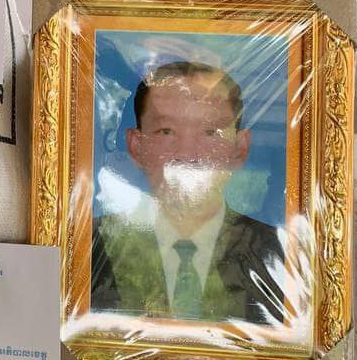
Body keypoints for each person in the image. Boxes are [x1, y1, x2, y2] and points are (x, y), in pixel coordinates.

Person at [90, 61, 286, 325]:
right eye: (166, 131)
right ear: (136, 146)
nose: (187, 155)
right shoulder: (89, 248)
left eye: (210, 132)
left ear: (240, 148)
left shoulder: (282, 254)